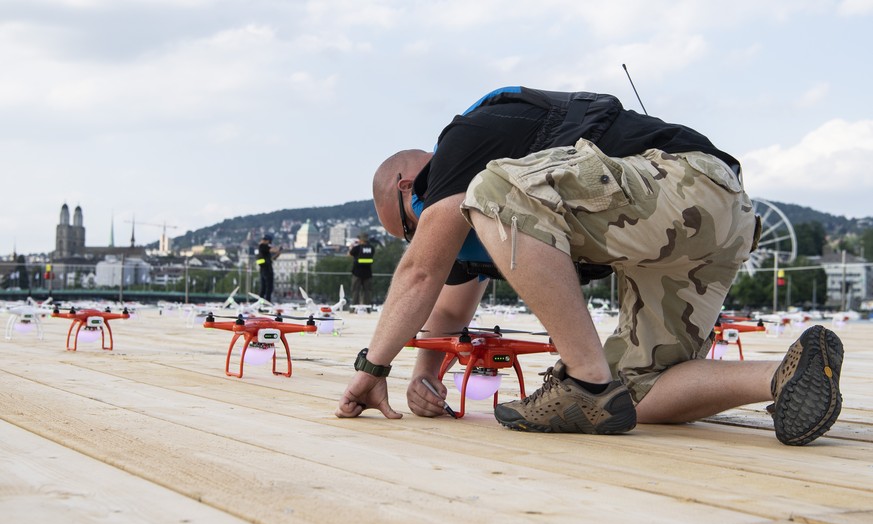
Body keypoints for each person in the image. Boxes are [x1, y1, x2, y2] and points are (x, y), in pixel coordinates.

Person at [335, 86, 844, 446]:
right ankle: (788, 373)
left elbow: (420, 272)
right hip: (711, 223)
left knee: (492, 189)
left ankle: (584, 381)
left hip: (685, 180)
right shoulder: (479, 220)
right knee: (637, 392)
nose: (419, 238)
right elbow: (445, 305)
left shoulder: (463, 146)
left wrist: (371, 369)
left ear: (408, 185)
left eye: (408, 229)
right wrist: (427, 376)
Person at [348, 233, 376, 306]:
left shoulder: (357, 248)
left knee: (355, 291)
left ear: (361, 240)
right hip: (368, 273)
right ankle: (367, 307)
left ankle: (354, 307)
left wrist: (352, 246)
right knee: (367, 291)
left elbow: (350, 254)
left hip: (357, 272)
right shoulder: (371, 248)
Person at [256, 233, 281, 303]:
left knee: (264, 287)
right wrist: (278, 248)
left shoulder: (263, 248)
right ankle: (267, 302)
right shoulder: (262, 246)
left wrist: (278, 254)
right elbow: (273, 250)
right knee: (268, 287)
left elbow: (271, 259)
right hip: (267, 270)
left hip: (264, 269)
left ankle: (261, 303)